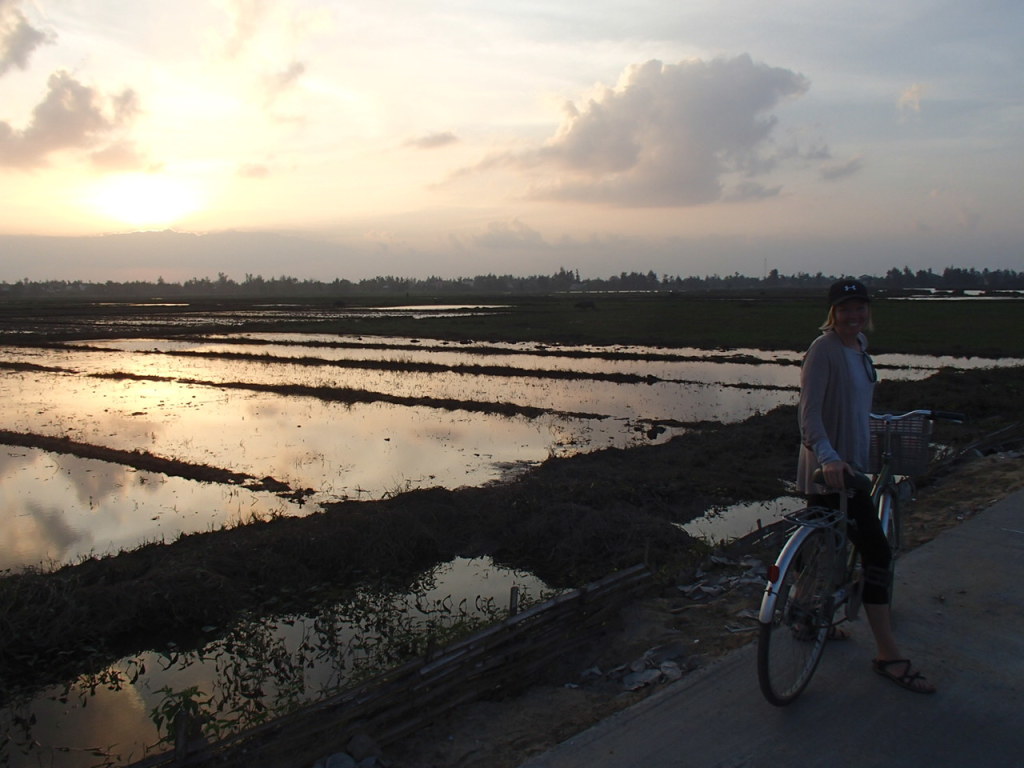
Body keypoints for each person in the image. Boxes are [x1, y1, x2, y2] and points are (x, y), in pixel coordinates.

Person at [796, 278, 936, 694]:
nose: (853, 316)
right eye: (845, 309)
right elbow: (809, 415)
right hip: (832, 472)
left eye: (860, 309)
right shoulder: (823, 350)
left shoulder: (860, 349)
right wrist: (829, 457)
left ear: (867, 312)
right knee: (877, 553)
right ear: (832, 313)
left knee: (824, 544)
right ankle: (888, 654)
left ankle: (805, 616)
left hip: (854, 464)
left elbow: (857, 406)